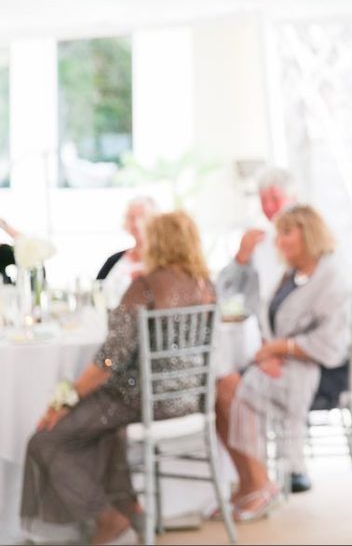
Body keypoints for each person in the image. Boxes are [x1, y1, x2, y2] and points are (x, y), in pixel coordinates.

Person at [21, 211, 215, 546]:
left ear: (159, 242)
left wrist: (66, 400)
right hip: (186, 399)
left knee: (45, 440)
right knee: (105, 434)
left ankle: (109, 515)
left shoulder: (145, 286)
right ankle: (130, 510)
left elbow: (108, 361)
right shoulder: (205, 286)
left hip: (139, 398)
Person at [214, 204, 352, 522]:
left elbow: (330, 343)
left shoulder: (331, 277)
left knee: (228, 388)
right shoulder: (292, 275)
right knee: (219, 389)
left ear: (310, 234)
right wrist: (272, 352)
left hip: (324, 371)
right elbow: (267, 322)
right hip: (289, 361)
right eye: (278, 234)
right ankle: (250, 483)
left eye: (287, 232)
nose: (279, 241)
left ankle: (261, 485)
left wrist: (279, 348)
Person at [216, 167, 314, 492]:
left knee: (242, 383)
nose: (270, 206)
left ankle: (286, 468)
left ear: (293, 197)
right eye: (264, 200)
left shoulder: (315, 242)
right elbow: (226, 295)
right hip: (269, 347)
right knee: (229, 380)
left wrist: (281, 349)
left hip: (307, 348)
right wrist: (241, 259)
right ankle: (255, 476)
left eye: (275, 197)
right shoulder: (258, 243)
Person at [96, 196, 158, 304]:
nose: (136, 223)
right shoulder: (113, 260)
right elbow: (95, 292)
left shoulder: (166, 263)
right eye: (131, 217)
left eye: (143, 216)